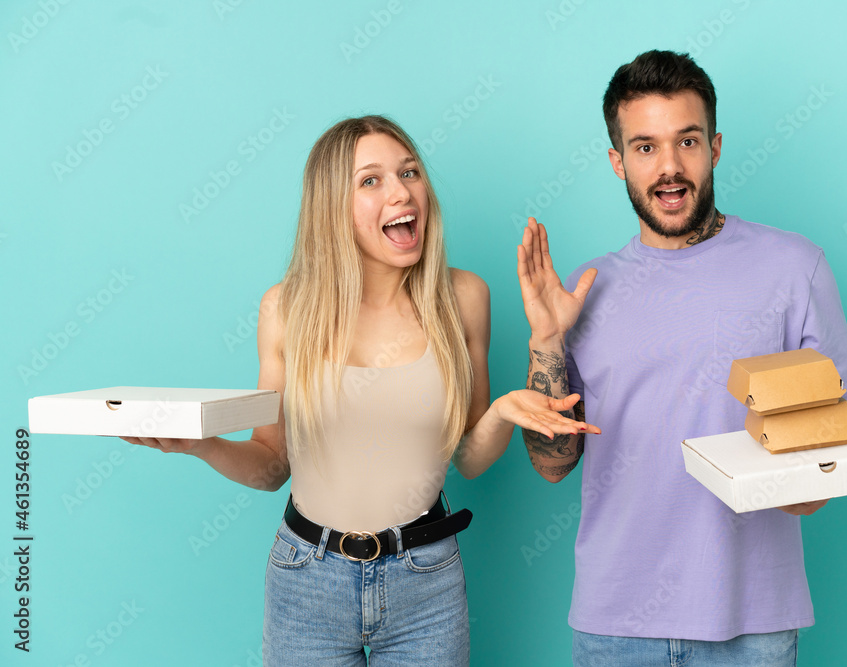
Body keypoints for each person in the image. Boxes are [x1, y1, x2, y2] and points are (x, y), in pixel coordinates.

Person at [124, 115, 598, 666]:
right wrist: (199, 444)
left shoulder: (464, 297)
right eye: (371, 180)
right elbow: (272, 465)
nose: (402, 192)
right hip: (307, 579)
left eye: (410, 172)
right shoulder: (286, 309)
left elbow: (467, 458)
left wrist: (499, 414)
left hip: (427, 579)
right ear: (333, 208)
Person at [517, 50, 847, 666]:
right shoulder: (583, 290)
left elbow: (846, 433)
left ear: (716, 146)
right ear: (617, 161)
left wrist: (797, 481)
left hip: (752, 619)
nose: (670, 167)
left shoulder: (794, 267)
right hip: (615, 624)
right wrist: (545, 342)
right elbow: (553, 465)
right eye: (646, 147)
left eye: (687, 141)